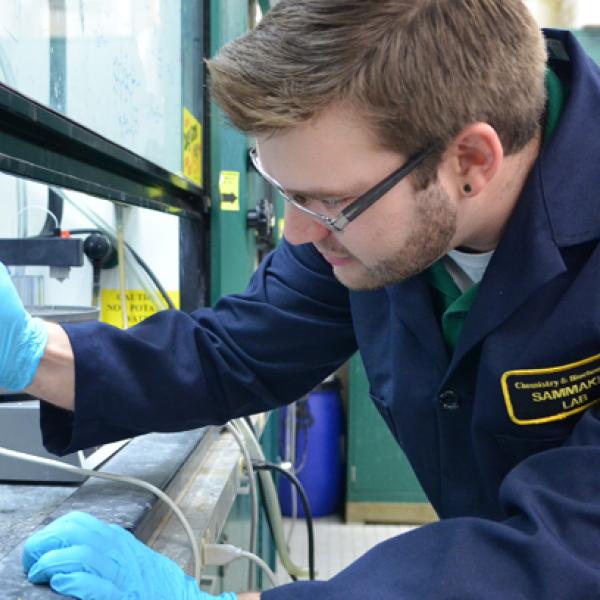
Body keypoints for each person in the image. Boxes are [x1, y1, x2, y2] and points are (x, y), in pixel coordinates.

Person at [4, 0, 600, 597]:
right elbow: (238, 349)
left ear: (470, 161)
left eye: (328, 201)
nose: (298, 233)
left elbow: (570, 547)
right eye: (287, 192)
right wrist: (32, 354)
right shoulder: (375, 202)